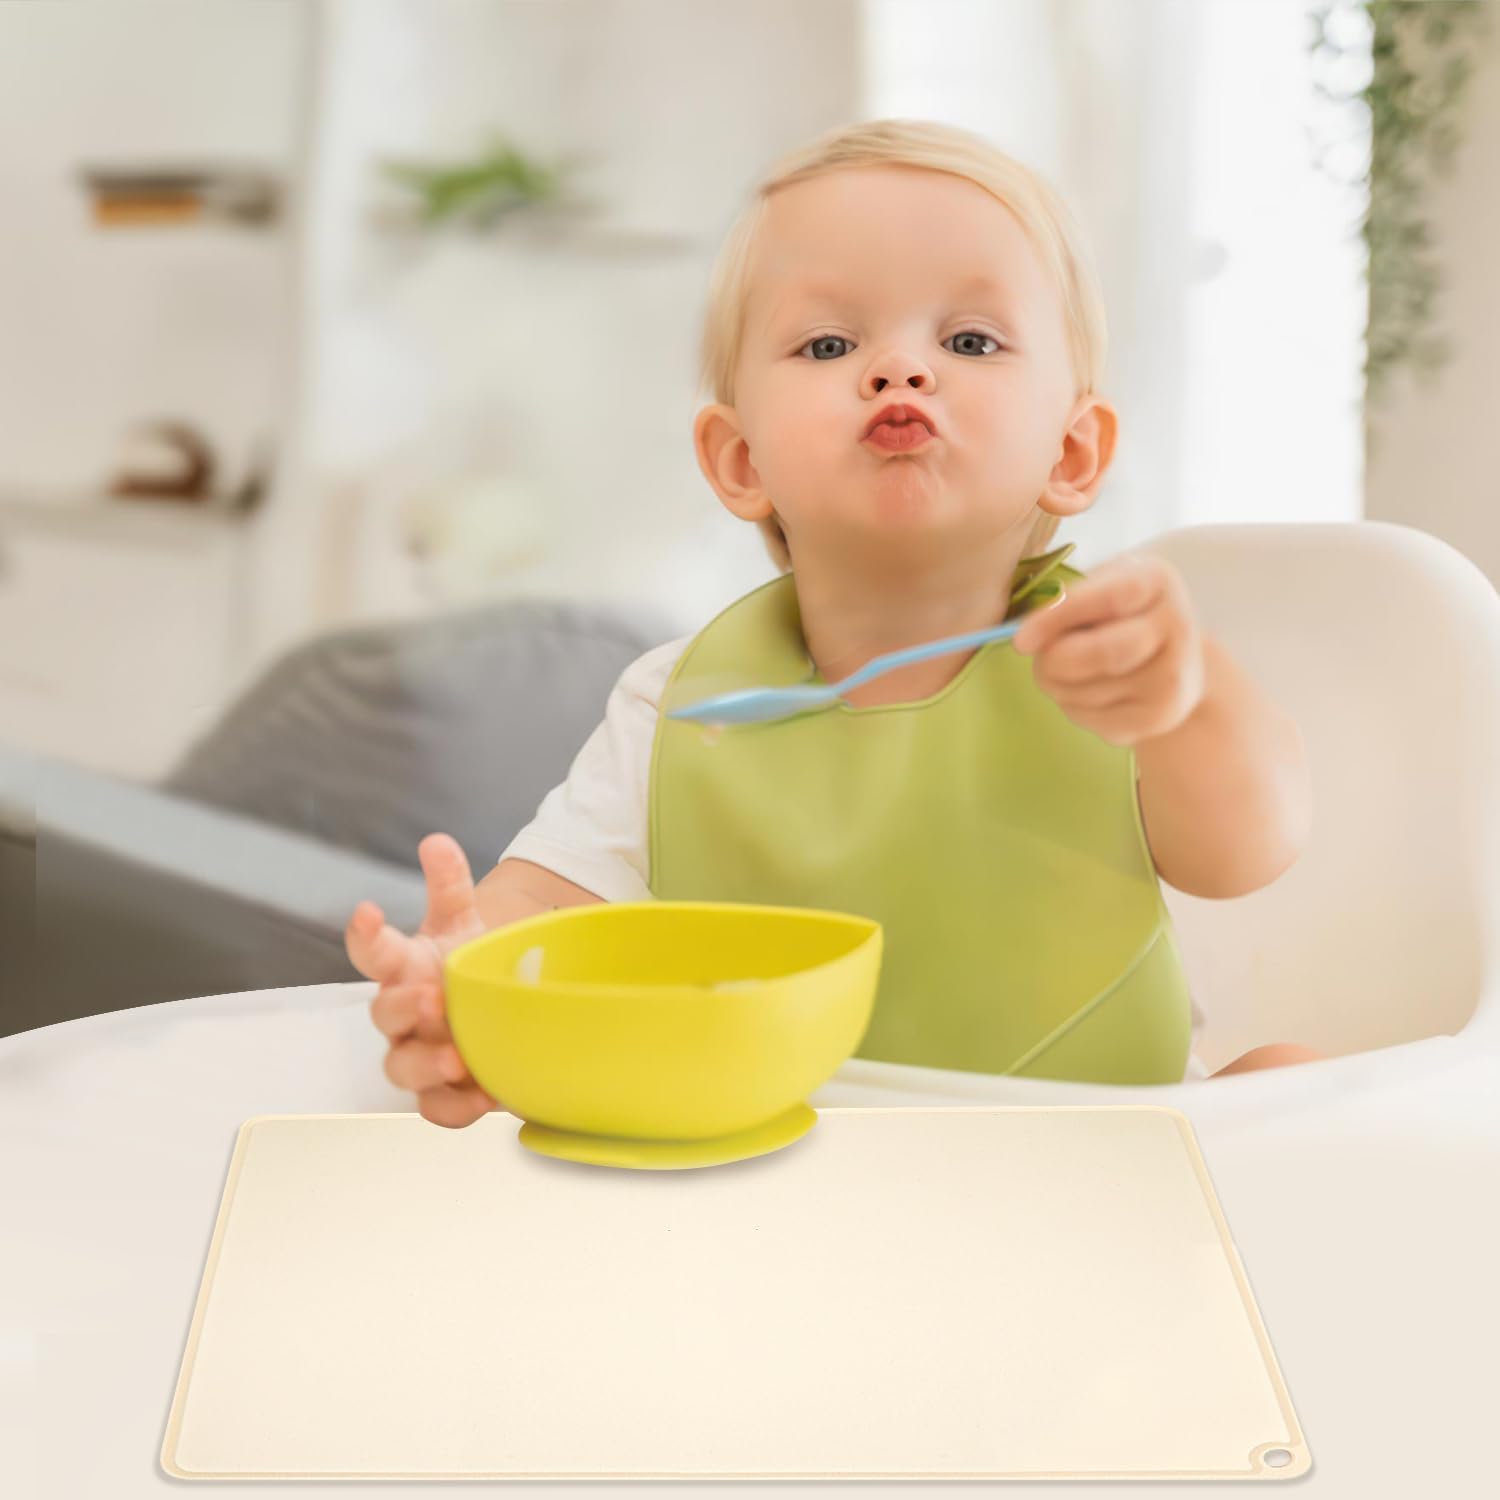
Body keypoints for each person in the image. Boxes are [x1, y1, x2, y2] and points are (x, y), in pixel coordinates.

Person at [346, 119, 1320, 1129]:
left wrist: (1184, 702)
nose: (899, 369)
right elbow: (546, 904)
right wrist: (469, 986)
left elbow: (1248, 849)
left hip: (1111, 1163)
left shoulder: (1118, 667)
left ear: (1072, 452)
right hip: (792, 1174)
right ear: (740, 461)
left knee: (1286, 1078)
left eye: (970, 341)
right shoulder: (680, 705)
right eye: (828, 344)